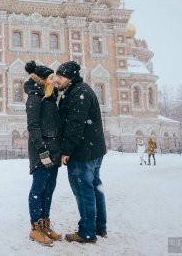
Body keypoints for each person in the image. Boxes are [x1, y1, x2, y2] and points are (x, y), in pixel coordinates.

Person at [54, 61, 107, 244]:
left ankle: (87, 232)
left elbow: (75, 125)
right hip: (93, 150)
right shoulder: (78, 90)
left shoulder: (79, 93)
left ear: (70, 78)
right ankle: (99, 227)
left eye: (60, 77)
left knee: (84, 191)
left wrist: (66, 150)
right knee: (94, 188)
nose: (56, 80)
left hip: (82, 152)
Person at [24, 61, 62, 247]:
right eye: (51, 77)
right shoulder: (34, 98)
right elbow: (33, 126)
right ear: (42, 80)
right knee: (38, 189)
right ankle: (35, 228)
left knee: (49, 188)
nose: (54, 80)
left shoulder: (50, 98)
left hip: (54, 150)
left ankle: (45, 224)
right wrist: (41, 150)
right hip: (41, 151)